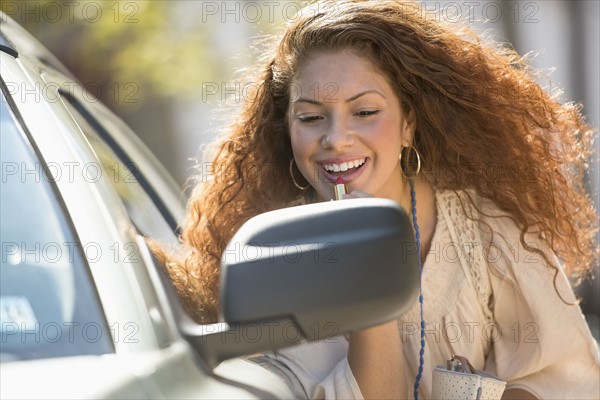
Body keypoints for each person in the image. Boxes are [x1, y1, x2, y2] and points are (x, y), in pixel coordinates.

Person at [152, 0, 599, 398]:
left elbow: (567, 379)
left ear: (408, 124)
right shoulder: (272, 255)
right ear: (287, 129)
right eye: (310, 117)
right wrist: (366, 267)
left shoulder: (490, 231)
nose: (336, 138)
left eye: (364, 112)